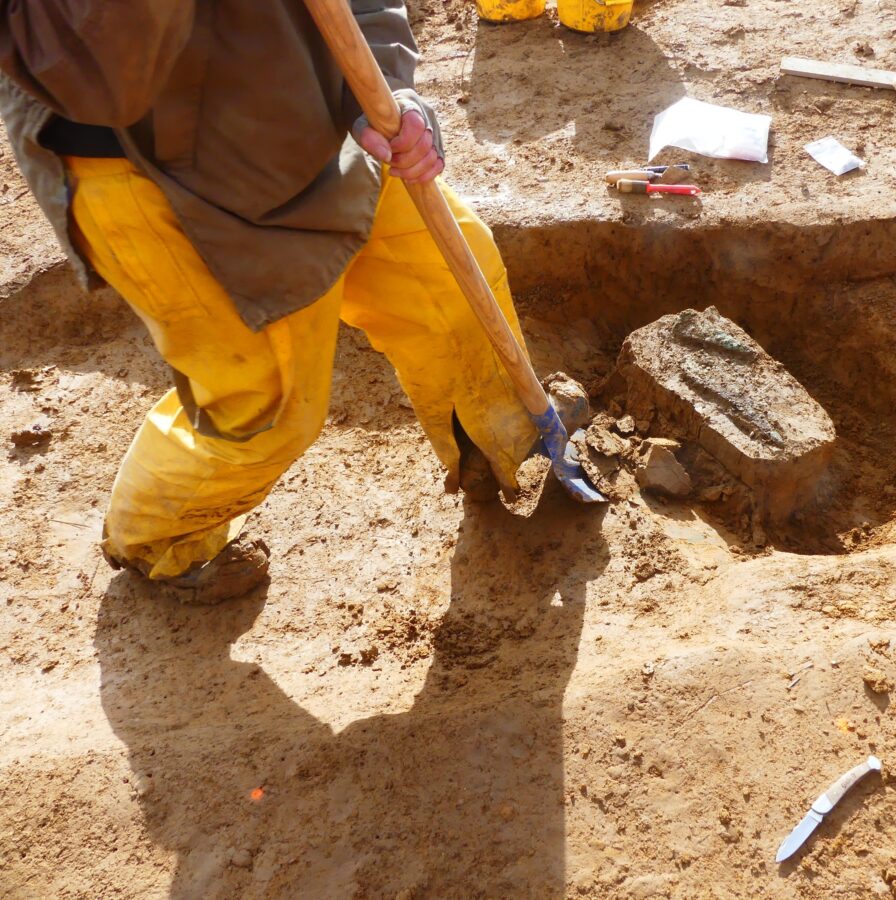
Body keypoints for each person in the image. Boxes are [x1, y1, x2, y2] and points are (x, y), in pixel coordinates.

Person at [0, 2, 538, 603]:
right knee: (265, 403)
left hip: (300, 101)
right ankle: (161, 539)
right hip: (149, 168)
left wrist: (382, 88)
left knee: (445, 276)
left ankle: (505, 441)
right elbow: (102, 81)